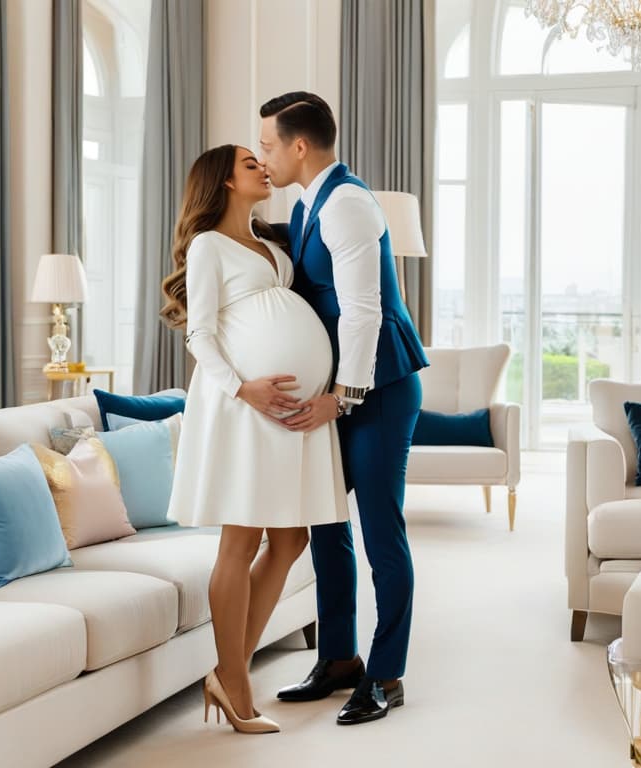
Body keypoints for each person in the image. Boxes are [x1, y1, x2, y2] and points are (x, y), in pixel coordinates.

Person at [162, 144, 348, 735]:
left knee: (290, 538)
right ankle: (235, 683)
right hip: (245, 407)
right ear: (222, 182)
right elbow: (200, 333)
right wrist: (243, 390)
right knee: (240, 544)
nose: (262, 167)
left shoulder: (271, 244)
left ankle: (229, 668)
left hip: (290, 414)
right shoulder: (207, 246)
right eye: (249, 162)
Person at [257, 91, 430, 726]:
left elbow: (362, 311)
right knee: (327, 523)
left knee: (381, 531)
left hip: (378, 390)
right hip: (341, 389)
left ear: (300, 146)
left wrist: (343, 397)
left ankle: (386, 674)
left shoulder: (351, 205)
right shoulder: (307, 203)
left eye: (269, 145)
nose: (263, 156)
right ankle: (338, 659)